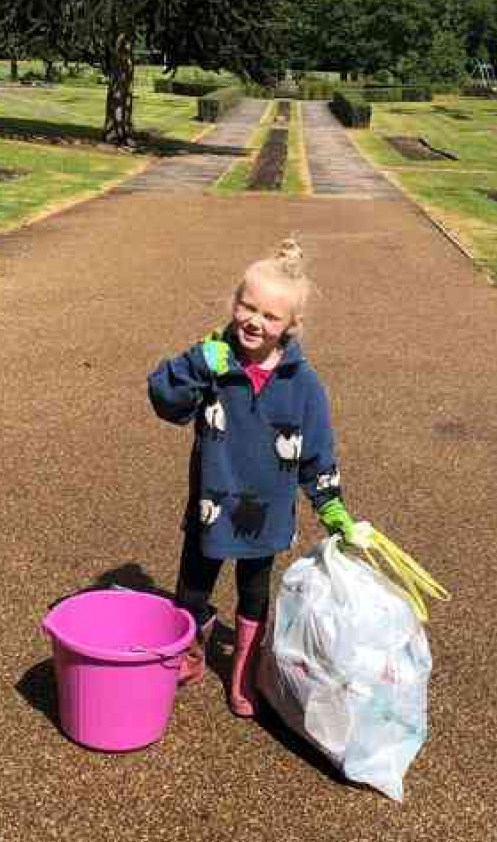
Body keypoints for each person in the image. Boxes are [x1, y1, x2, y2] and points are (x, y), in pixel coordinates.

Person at [147, 239, 359, 718]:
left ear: (290, 327)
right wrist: (196, 365)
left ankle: (244, 664)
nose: (254, 321)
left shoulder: (302, 384)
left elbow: (318, 450)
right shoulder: (213, 362)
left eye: (270, 316)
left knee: (255, 591)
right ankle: (191, 649)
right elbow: (165, 401)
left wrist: (330, 503)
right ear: (234, 302)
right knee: (193, 587)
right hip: (211, 505)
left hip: (265, 513)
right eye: (247, 306)